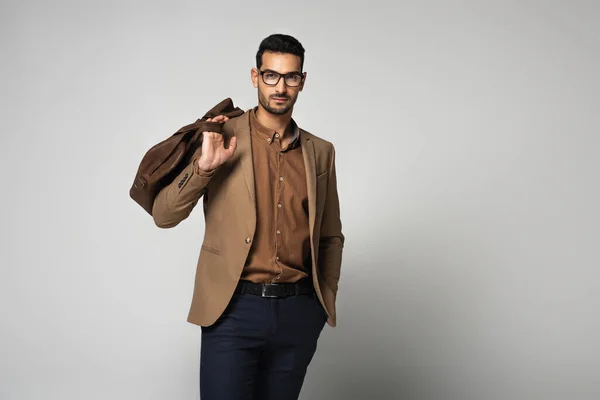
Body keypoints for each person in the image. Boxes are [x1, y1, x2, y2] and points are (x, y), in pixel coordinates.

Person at [152, 33, 344, 400]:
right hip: (233, 310)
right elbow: (164, 215)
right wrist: (204, 169)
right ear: (255, 77)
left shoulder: (321, 152)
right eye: (271, 76)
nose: (281, 87)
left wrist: (323, 301)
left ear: (302, 81)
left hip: (298, 313)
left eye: (290, 77)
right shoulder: (220, 135)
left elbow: (330, 236)